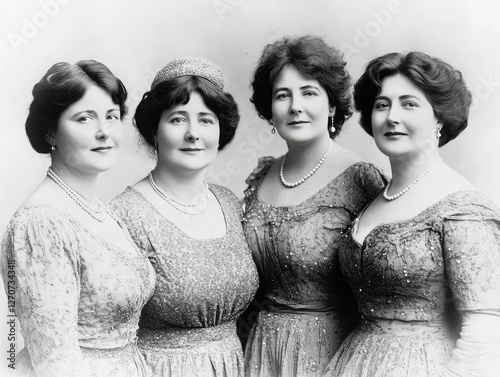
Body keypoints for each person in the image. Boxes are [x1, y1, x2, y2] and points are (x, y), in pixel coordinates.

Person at [322, 51, 500, 377]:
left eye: (409, 104)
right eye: (382, 105)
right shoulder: (375, 199)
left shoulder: (463, 210)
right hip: (354, 362)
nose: (392, 116)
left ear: (440, 119)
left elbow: (486, 330)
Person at [241, 35, 386, 377]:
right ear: (270, 108)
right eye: (282, 95)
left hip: (330, 350)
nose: (295, 106)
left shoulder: (361, 180)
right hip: (261, 348)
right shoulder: (263, 174)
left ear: (332, 105)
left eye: (309, 92)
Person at [0, 60, 156, 377]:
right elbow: (55, 363)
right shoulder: (41, 224)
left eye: (112, 116)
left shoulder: (100, 210)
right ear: (50, 131)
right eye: (84, 118)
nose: (103, 131)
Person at [111, 57, 259, 377]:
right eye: (178, 120)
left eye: (206, 120)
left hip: (234, 366)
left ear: (221, 131)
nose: (193, 134)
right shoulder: (123, 215)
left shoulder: (230, 204)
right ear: (154, 130)